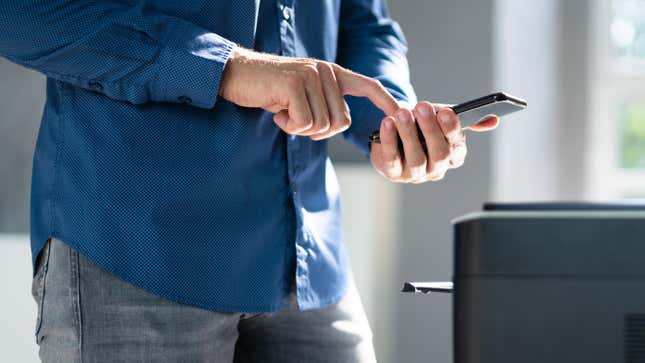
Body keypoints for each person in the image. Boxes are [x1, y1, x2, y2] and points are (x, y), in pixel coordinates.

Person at [0, 0, 496, 362]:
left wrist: (393, 121)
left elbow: (362, 22)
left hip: (309, 266)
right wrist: (226, 67)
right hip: (137, 252)